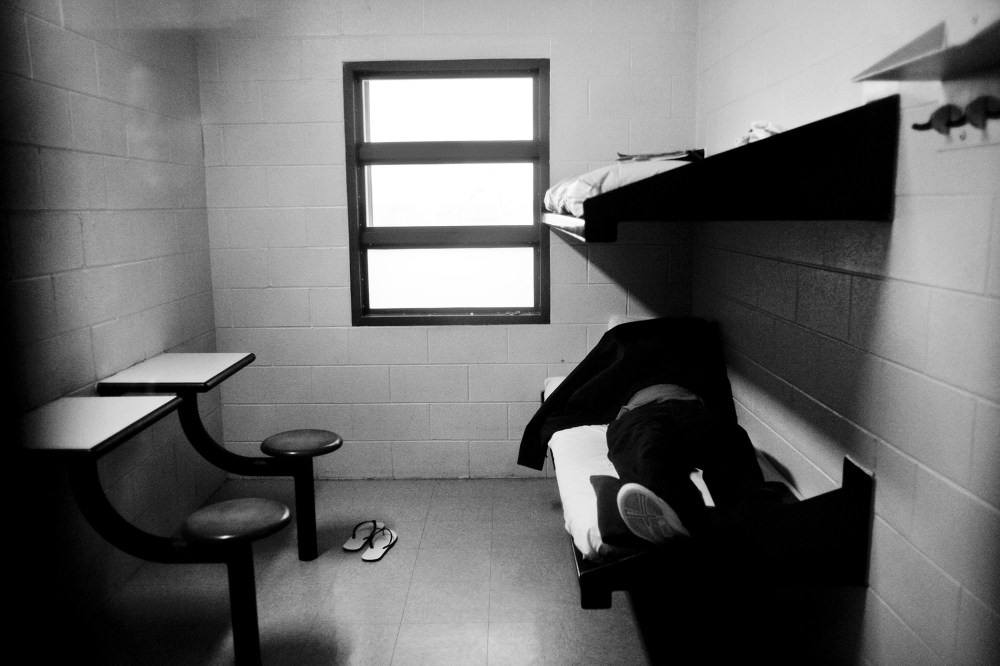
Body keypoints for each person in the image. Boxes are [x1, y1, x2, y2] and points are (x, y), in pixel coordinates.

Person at [606, 383, 780, 544]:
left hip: (685, 409)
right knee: (649, 451)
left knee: (647, 450)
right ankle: (750, 511)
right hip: (649, 412)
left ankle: (676, 511)